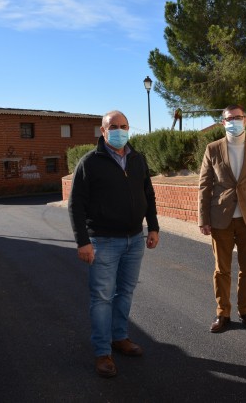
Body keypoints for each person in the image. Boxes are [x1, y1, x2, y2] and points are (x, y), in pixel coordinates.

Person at [69, 110, 160, 378]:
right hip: (103, 241)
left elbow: (149, 195)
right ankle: (102, 352)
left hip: (135, 240)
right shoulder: (89, 163)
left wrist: (152, 226)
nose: (119, 130)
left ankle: (119, 338)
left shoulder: (137, 159)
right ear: (103, 131)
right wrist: (83, 242)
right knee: (102, 298)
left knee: (126, 293)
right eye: (113, 126)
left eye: (124, 126)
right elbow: (76, 205)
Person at [198, 104, 246, 333]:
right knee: (221, 270)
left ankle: (245, 311)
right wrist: (203, 218)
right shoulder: (212, 149)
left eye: (238, 117)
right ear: (223, 122)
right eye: (229, 118)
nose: (234, 121)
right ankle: (223, 314)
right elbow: (204, 186)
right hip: (220, 218)